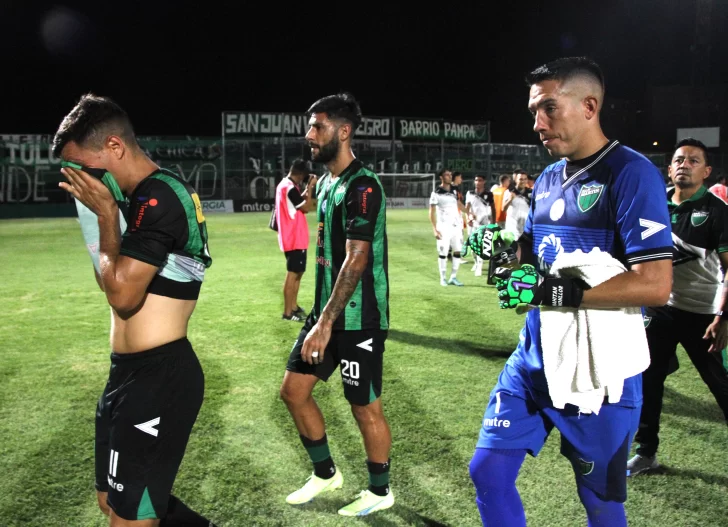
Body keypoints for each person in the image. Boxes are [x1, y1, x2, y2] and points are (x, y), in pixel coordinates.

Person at [467, 57, 673, 527]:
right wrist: (505, 252)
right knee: (487, 472)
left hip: (597, 371)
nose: (537, 124)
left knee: (598, 501)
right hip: (534, 358)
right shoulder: (547, 178)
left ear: (589, 106)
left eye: (548, 108)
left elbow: (655, 284)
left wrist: (554, 292)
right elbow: (534, 254)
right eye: (533, 111)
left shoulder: (631, 172)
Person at [54, 94, 216, 526]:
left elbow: (123, 297)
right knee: (111, 502)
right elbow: (109, 282)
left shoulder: (162, 195)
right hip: (124, 375)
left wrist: (108, 217)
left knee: (130, 518)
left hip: (160, 377)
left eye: (81, 166)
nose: (77, 178)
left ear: (114, 146)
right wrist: (98, 216)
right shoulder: (127, 198)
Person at [279, 92, 394, 517]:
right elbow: (313, 208)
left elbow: (357, 258)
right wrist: (307, 197)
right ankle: (326, 473)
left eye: (318, 126)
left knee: (364, 406)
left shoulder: (363, 186)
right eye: (309, 126)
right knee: (293, 392)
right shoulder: (328, 181)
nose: (309, 134)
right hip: (325, 312)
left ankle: (380, 491)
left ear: (344, 132)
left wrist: (324, 323)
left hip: (359, 318)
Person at [628, 138, 728, 475]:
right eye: (679, 160)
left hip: (704, 315)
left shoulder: (717, 211)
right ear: (669, 169)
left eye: (693, 160)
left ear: (707, 171)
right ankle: (646, 453)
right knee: (649, 377)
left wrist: (723, 316)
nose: (685, 165)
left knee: (720, 384)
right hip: (661, 308)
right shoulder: (653, 207)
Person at [275, 158, 317, 321]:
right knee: (292, 274)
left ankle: (293, 306)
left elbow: (299, 202)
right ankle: (287, 313)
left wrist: (306, 189)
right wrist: (311, 188)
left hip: (293, 236)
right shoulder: (289, 188)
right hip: (294, 237)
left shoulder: (285, 185)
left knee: (298, 272)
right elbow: (306, 207)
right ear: (300, 174)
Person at [430, 168, 465, 286]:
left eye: (450, 175)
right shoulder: (436, 193)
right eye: (447, 175)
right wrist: (435, 229)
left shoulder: (455, 190)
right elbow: (431, 212)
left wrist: (469, 212)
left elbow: (458, 204)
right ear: (441, 177)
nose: (450, 177)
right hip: (443, 227)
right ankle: (443, 278)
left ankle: (453, 277)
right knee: (443, 252)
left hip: (456, 226)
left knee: (457, 251)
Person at [465, 174, 494, 276]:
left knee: (481, 244)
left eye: (480, 180)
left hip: (484, 223)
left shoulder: (489, 194)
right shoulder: (470, 193)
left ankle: (479, 267)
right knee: (473, 245)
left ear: (484, 182)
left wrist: (493, 222)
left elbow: (493, 208)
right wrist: (468, 218)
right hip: (473, 223)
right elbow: (467, 208)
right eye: (476, 180)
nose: (478, 182)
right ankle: (476, 262)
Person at [502, 170, 532, 240]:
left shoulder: (531, 192)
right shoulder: (509, 191)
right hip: (512, 228)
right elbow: (503, 209)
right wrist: (510, 199)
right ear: (516, 180)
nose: (523, 181)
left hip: (526, 227)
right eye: (520, 179)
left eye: (525, 179)